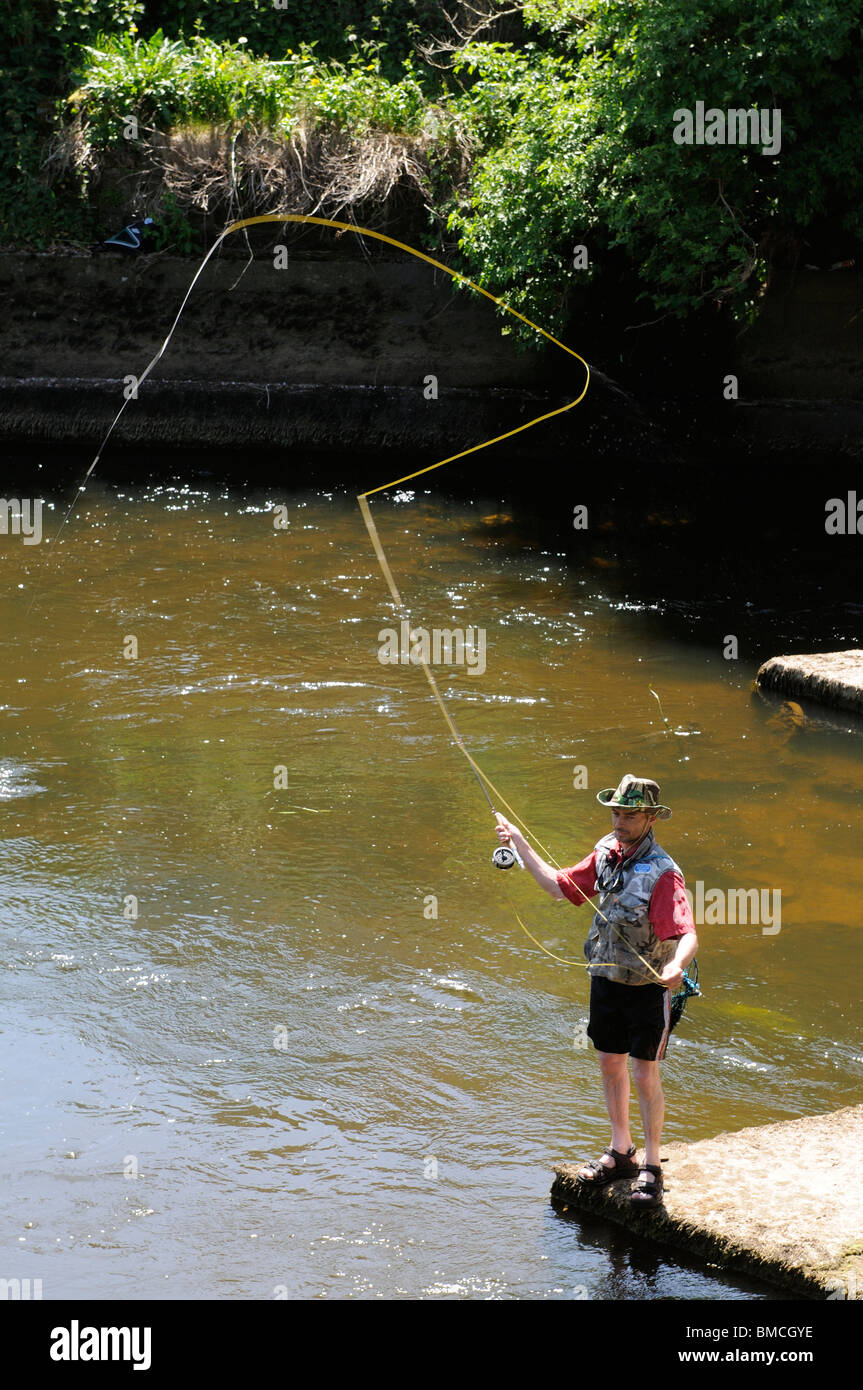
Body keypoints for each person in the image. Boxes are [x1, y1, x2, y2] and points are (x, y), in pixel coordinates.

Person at [495, 773, 697, 1208]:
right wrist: (518, 844)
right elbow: (558, 887)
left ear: (650, 819)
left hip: (648, 988)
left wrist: (677, 965)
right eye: (616, 812)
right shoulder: (605, 852)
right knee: (610, 1063)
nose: (620, 821)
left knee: (644, 1073)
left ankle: (653, 1166)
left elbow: (686, 934)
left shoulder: (664, 873)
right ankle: (621, 1151)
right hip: (605, 980)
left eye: (629, 815)